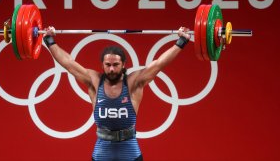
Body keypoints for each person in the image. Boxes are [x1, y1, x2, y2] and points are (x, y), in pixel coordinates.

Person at [43, 27, 191, 161]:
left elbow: (159, 63)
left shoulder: (134, 82)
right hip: (102, 154)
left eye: (115, 65)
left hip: (130, 153)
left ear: (123, 65)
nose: (112, 69)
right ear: (102, 65)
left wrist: (181, 41)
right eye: (108, 65)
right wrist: (49, 40)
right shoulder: (94, 81)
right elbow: (68, 63)